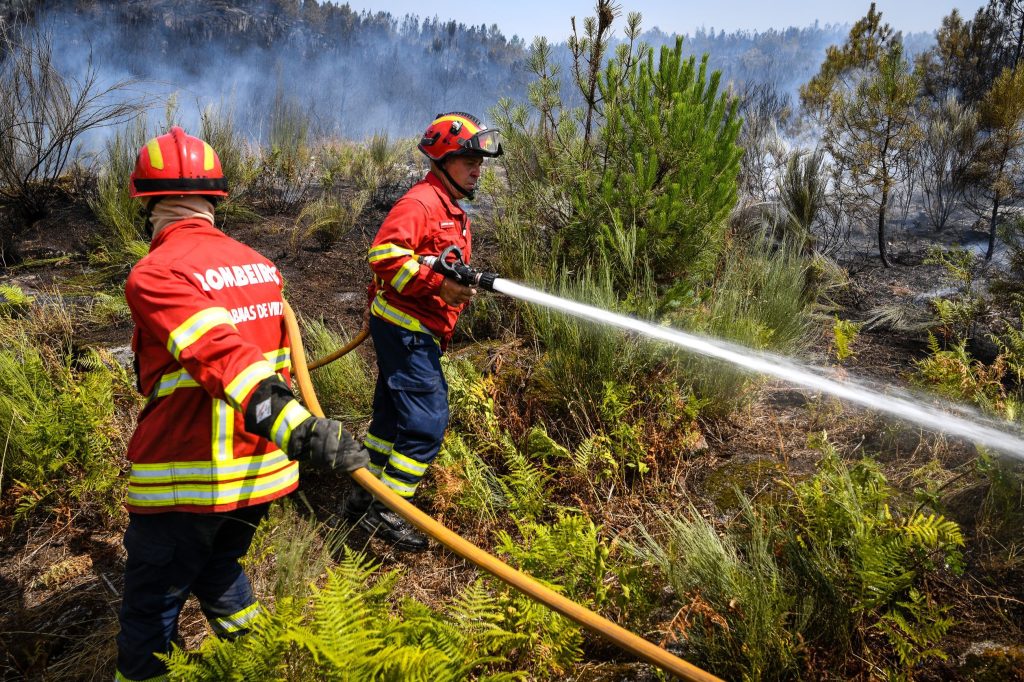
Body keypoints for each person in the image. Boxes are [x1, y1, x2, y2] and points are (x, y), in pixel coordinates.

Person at [115, 126, 368, 682]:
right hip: (258, 478)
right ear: (215, 198)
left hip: (187, 479)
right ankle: (255, 660)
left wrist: (297, 427)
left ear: (146, 201)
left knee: (150, 611)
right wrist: (293, 433)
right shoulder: (258, 265)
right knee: (220, 570)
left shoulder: (155, 273)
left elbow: (223, 356)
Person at [343, 112, 502, 551]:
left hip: (410, 327)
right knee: (427, 422)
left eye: (480, 162)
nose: (477, 169)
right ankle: (389, 511)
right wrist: (440, 284)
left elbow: (430, 258)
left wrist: (451, 280)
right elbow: (385, 256)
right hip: (408, 330)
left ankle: (365, 490)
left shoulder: (447, 205)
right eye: (469, 159)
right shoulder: (422, 204)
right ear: (443, 158)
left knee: (390, 419)